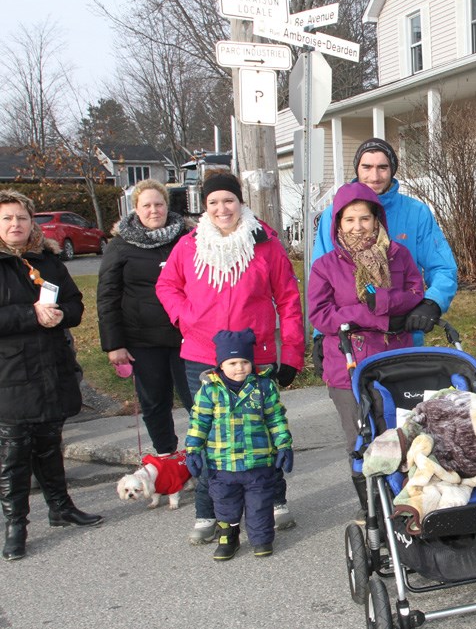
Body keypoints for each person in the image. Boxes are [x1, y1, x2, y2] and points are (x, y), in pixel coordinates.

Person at [156, 173, 304, 544]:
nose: (222, 209)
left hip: (254, 356)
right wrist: (185, 317)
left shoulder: (265, 243)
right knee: (206, 434)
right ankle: (209, 511)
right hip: (202, 354)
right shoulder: (189, 246)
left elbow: (288, 300)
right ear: (204, 207)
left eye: (228, 200)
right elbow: (166, 286)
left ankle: (273, 503)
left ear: (240, 202)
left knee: (264, 430)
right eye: (213, 203)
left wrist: (292, 355)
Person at [0, 189, 102, 561]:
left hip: (51, 367)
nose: (16, 224)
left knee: (49, 444)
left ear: (32, 224)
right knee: (14, 454)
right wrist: (32, 315)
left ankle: (61, 508)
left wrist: (60, 314)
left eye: (22, 218)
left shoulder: (47, 261)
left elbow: (75, 304)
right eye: (8, 218)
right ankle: (16, 525)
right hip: (11, 374)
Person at [308, 182, 424, 455]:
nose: (357, 226)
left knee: (404, 441)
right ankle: (370, 498)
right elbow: (320, 315)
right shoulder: (325, 266)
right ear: (338, 222)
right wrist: (372, 315)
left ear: (376, 220)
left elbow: (416, 291)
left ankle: (402, 497)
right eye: (349, 219)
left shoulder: (398, 255)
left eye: (364, 218)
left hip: (397, 360)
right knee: (363, 444)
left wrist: (385, 300)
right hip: (348, 365)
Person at [311, 138, 457, 342]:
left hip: (403, 333)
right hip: (350, 339)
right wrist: (320, 335)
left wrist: (432, 302)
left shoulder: (415, 213)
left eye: (383, 167)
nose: (375, 176)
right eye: (367, 167)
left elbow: (442, 266)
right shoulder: (333, 216)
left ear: (393, 169)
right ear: (357, 169)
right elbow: (321, 283)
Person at [97, 179, 193, 455]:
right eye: (147, 205)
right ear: (136, 209)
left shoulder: (187, 238)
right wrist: (114, 344)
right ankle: (166, 456)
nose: (154, 210)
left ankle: (205, 460)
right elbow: (107, 297)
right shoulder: (120, 246)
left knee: (197, 400)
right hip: (142, 340)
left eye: (159, 204)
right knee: (155, 402)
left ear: (167, 205)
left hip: (185, 336)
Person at [184, 329, 293, 560]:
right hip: (222, 463)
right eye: (232, 362)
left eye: (244, 362)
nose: (239, 367)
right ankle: (228, 536)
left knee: (259, 504)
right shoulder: (209, 390)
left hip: (258, 461)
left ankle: (262, 539)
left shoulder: (263, 387)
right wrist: (193, 449)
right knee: (225, 504)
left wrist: (284, 445)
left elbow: (275, 417)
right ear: (220, 365)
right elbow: (199, 421)